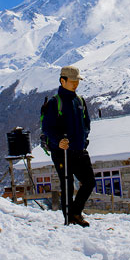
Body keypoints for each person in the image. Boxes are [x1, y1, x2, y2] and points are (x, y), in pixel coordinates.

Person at [41, 65, 95, 227]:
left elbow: (86, 124)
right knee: (67, 184)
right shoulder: (54, 102)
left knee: (89, 182)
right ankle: (70, 218)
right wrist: (58, 141)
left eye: (77, 81)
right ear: (62, 81)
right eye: (72, 81)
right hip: (61, 151)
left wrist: (84, 139)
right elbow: (47, 127)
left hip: (79, 149)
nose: (75, 84)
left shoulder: (79, 101)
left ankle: (75, 212)